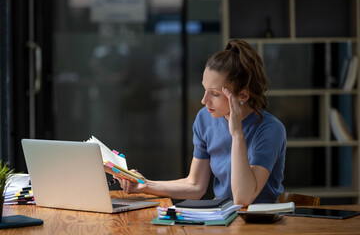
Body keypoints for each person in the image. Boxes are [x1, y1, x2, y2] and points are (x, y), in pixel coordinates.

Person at [116, 39, 286, 206]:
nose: (204, 101)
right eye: (205, 90)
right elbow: (195, 185)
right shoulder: (205, 119)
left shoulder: (270, 130)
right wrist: (146, 184)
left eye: (215, 94)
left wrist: (237, 134)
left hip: (259, 223)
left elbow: (242, 199)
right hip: (222, 216)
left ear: (242, 96)